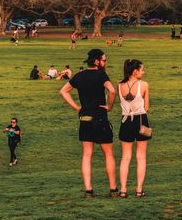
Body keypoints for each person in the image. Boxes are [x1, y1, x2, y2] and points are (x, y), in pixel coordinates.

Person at [59, 48, 117, 196]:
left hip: (84, 117)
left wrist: (77, 107)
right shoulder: (101, 75)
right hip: (100, 117)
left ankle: (89, 190)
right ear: (97, 61)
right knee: (108, 154)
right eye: (104, 60)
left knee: (87, 154)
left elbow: (63, 91)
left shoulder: (79, 76)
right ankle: (113, 189)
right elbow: (112, 91)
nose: (105, 62)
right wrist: (109, 106)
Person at [118, 59, 151, 198]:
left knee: (125, 158)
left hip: (125, 121)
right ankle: (139, 190)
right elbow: (147, 107)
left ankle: (123, 190)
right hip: (141, 119)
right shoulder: (144, 85)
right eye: (142, 69)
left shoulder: (120, 85)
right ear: (135, 71)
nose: (144, 72)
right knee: (141, 157)